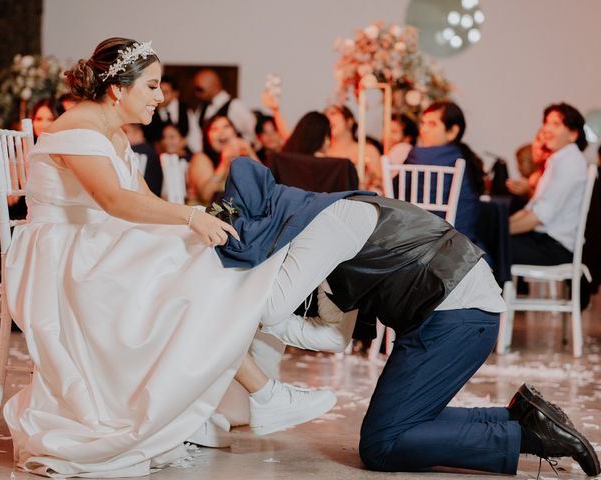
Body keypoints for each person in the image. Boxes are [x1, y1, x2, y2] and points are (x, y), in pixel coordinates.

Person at [2, 37, 338, 478]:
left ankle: (259, 358)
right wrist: (189, 218)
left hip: (95, 242)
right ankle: (266, 373)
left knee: (201, 256)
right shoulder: (77, 130)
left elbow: (141, 198)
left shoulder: (111, 131)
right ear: (119, 89)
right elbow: (112, 201)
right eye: (153, 86)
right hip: (66, 257)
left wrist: (195, 224)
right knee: (194, 272)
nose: (161, 97)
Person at [214, 156, 600, 477]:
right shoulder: (328, 226)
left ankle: (531, 438)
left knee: (384, 445)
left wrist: (227, 302)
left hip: (458, 318)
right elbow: (333, 337)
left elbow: (271, 307)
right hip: (447, 317)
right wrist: (265, 315)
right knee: (396, 429)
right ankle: (521, 417)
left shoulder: (328, 224)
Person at [509, 103, 588, 265]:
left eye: (556, 124)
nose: (546, 129)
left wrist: (500, 231)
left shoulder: (570, 163)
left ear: (573, 134)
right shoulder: (558, 160)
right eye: (546, 122)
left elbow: (539, 216)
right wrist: (502, 227)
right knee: (487, 241)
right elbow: (530, 209)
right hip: (544, 241)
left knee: (487, 246)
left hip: (554, 247)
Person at [403, 101, 485, 243]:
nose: (423, 129)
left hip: (424, 240)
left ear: (452, 131)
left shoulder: (418, 156)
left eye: (432, 124)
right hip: (462, 242)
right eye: (423, 123)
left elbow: (396, 196)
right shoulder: (464, 157)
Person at [187, 114, 259, 204]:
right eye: (214, 129)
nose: (221, 132)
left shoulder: (242, 157)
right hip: (205, 214)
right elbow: (206, 195)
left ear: (235, 132)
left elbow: (266, 185)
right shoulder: (201, 158)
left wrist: (250, 152)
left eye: (226, 126)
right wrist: (224, 163)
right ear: (207, 137)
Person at [325, 104, 382, 190]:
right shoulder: (323, 153)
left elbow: (380, 183)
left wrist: (371, 183)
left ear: (349, 121)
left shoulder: (368, 151)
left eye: (333, 113)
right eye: (325, 115)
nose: (328, 118)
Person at [193, 69, 257, 146]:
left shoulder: (235, 106)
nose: (197, 94)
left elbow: (253, 133)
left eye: (200, 89)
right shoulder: (201, 108)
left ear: (214, 85)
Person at [142, 75, 202, 152]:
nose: (160, 96)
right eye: (158, 91)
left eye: (165, 92)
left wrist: (196, 153)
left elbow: (194, 136)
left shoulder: (184, 109)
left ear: (175, 93)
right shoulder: (150, 109)